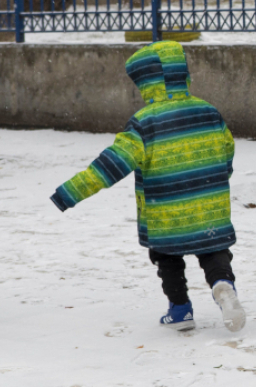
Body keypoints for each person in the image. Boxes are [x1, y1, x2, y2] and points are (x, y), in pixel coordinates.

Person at [49, 41, 245, 333]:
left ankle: (180, 310)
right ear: (182, 75)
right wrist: (216, 178)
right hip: (209, 207)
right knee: (213, 250)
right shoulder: (209, 112)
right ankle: (222, 285)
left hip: (164, 212)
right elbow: (227, 151)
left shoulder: (143, 124)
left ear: (145, 83)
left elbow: (110, 166)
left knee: (167, 256)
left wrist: (68, 193)